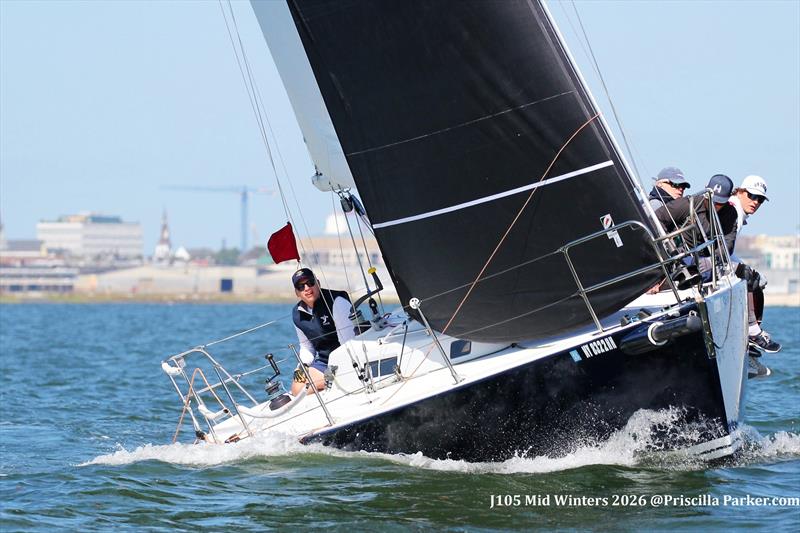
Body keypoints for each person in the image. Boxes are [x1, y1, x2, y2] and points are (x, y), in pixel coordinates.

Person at [728, 175, 781, 356]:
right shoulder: (733, 211)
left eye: (760, 199)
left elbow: (728, 250)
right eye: (751, 196)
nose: (755, 202)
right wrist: (747, 270)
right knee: (750, 277)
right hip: (707, 263)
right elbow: (722, 251)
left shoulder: (736, 210)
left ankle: (749, 336)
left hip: (717, 260)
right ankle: (753, 333)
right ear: (740, 192)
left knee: (753, 277)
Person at [290, 268, 355, 395]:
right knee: (296, 389)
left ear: (318, 283)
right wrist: (301, 367)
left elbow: (348, 343)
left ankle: (335, 380)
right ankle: (331, 382)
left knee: (309, 387)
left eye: (310, 282)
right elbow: (306, 347)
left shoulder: (336, 302)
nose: (307, 288)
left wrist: (331, 371)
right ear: (297, 293)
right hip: (325, 361)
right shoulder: (297, 314)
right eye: (301, 286)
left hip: (347, 356)